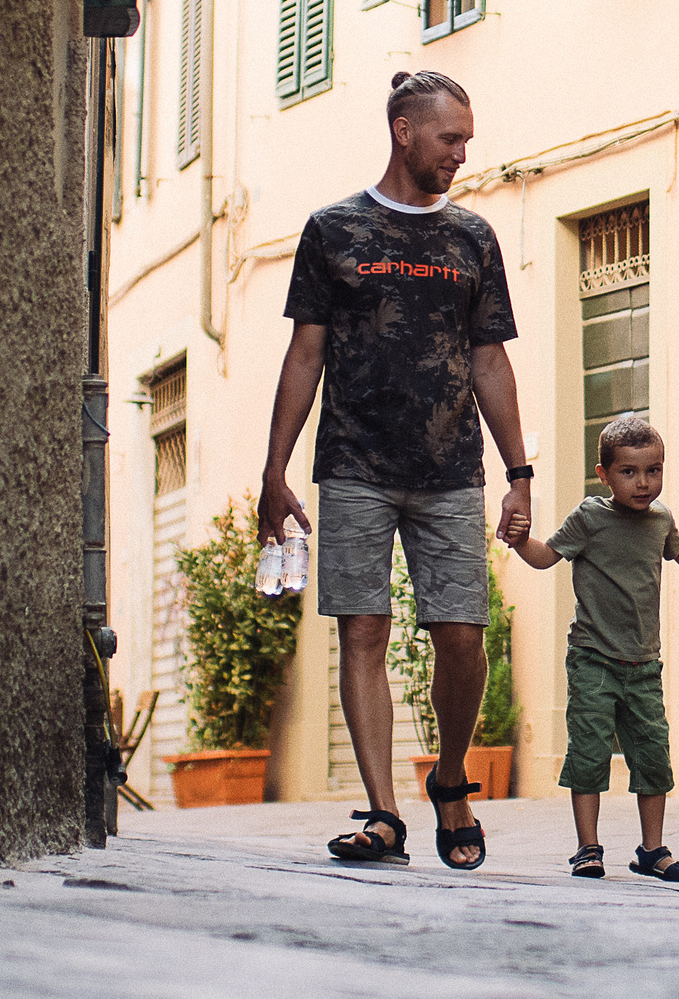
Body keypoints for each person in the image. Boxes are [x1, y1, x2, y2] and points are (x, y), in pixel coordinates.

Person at [259, 71, 528, 873]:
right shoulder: (332, 230)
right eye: (451, 138)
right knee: (363, 629)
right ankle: (383, 813)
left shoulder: (473, 237)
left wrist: (520, 471)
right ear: (404, 130)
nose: (462, 153)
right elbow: (304, 352)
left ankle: (450, 777)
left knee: (462, 635)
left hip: (451, 468)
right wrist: (274, 470)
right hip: (353, 463)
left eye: (467, 139)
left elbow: (490, 359)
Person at [500, 412, 679, 883]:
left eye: (653, 470)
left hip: (643, 662)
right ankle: (588, 847)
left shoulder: (661, 520)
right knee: (590, 752)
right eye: (629, 472)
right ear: (604, 474)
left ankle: (652, 850)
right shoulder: (590, 516)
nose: (643, 482)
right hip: (593, 657)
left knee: (653, 755)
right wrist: (519, 541)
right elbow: (545, 557)